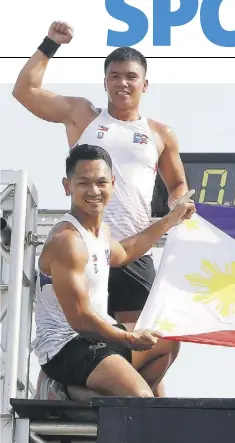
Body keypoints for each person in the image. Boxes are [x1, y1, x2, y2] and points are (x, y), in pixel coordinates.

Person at [13, 21, 192, 397]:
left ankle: (148, 416)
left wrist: (177, 207)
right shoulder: (84, 116)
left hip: (129, 250)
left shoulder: (160, 133)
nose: (122, 83)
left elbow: (177, 184)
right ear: (105, 82)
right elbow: (24, 91)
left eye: (131, 77)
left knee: (155, 343)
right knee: (84, 334)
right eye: (114, 76)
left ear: (145, 84)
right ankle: (77, 389)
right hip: (85, 243)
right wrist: (51, 44)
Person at [33, 144, 195, 400]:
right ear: (67, 186)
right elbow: (81, 320)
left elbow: (126, 251)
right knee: (140, 399)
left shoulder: (100, 232)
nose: (94, 191)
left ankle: (96, 394)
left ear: (113, 184)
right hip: (66, 347)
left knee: (167, 342)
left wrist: (170, 220)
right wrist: (129, 338)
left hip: (97, 336)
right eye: (83, 183)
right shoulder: (67, 241)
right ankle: (64, 389)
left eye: (101, 182)